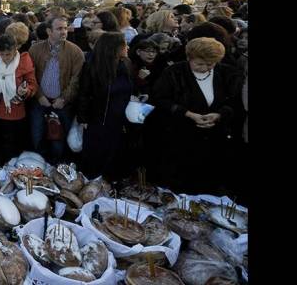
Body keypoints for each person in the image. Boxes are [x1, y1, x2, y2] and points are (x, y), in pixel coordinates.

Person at [148, 37, 244, 195]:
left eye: (210, 64)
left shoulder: (227, 73)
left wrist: (219, 115)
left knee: (209, 179)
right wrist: (188, 114)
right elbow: (160, 99)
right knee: (182, 181)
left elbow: (235, 101)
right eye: (200, 64)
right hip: (181, 136)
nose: (205, 68)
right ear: (189, 58)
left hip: (214, 137)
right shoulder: (174, 72)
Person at [76, 32, 133, 180]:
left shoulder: (126, 64)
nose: (127, 47)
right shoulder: (92, 66)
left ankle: (112, 181)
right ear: (114, 48)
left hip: (120, 119)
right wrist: (83, 118)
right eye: (124, 45)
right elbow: (84, 93)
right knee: (97, 152)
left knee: (115, 152)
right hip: (98, 119)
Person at [28, 16, 85, 164]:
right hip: (40, 101)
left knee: (59, 139)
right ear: (49, 31)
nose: (64, 32)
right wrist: (39, 96)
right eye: (59, 28)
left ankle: (58, 168)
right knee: (37, 135)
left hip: (62, 103)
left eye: (65, 28)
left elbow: (76, 79)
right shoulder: (35, 49)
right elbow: (30, 75)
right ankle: (40, 166)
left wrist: (64, 98)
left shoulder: (75, 51)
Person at [0, 34, 37, 164]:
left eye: (8, 55)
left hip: (12, 111)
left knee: (9, 142)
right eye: (2, 54)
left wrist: (26, 90)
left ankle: (7, 168)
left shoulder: (24, 61)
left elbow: (32, 85)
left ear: (15, 49)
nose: (5, 58)